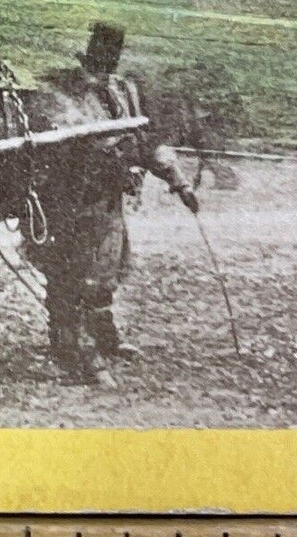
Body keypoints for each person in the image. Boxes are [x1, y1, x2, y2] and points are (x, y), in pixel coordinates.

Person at [30, 22, 199, 383]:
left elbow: (144, 138)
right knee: (74, 273)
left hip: (109, 197)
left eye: (112, 56)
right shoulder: (67, 93)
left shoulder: (123, 91)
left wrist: (179, 182)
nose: (106, 63)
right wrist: (117, 155)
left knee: (107, 269)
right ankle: (70, 347)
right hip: (74, 196)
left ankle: (104, 336)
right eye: (101, 55)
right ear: (90, 53)